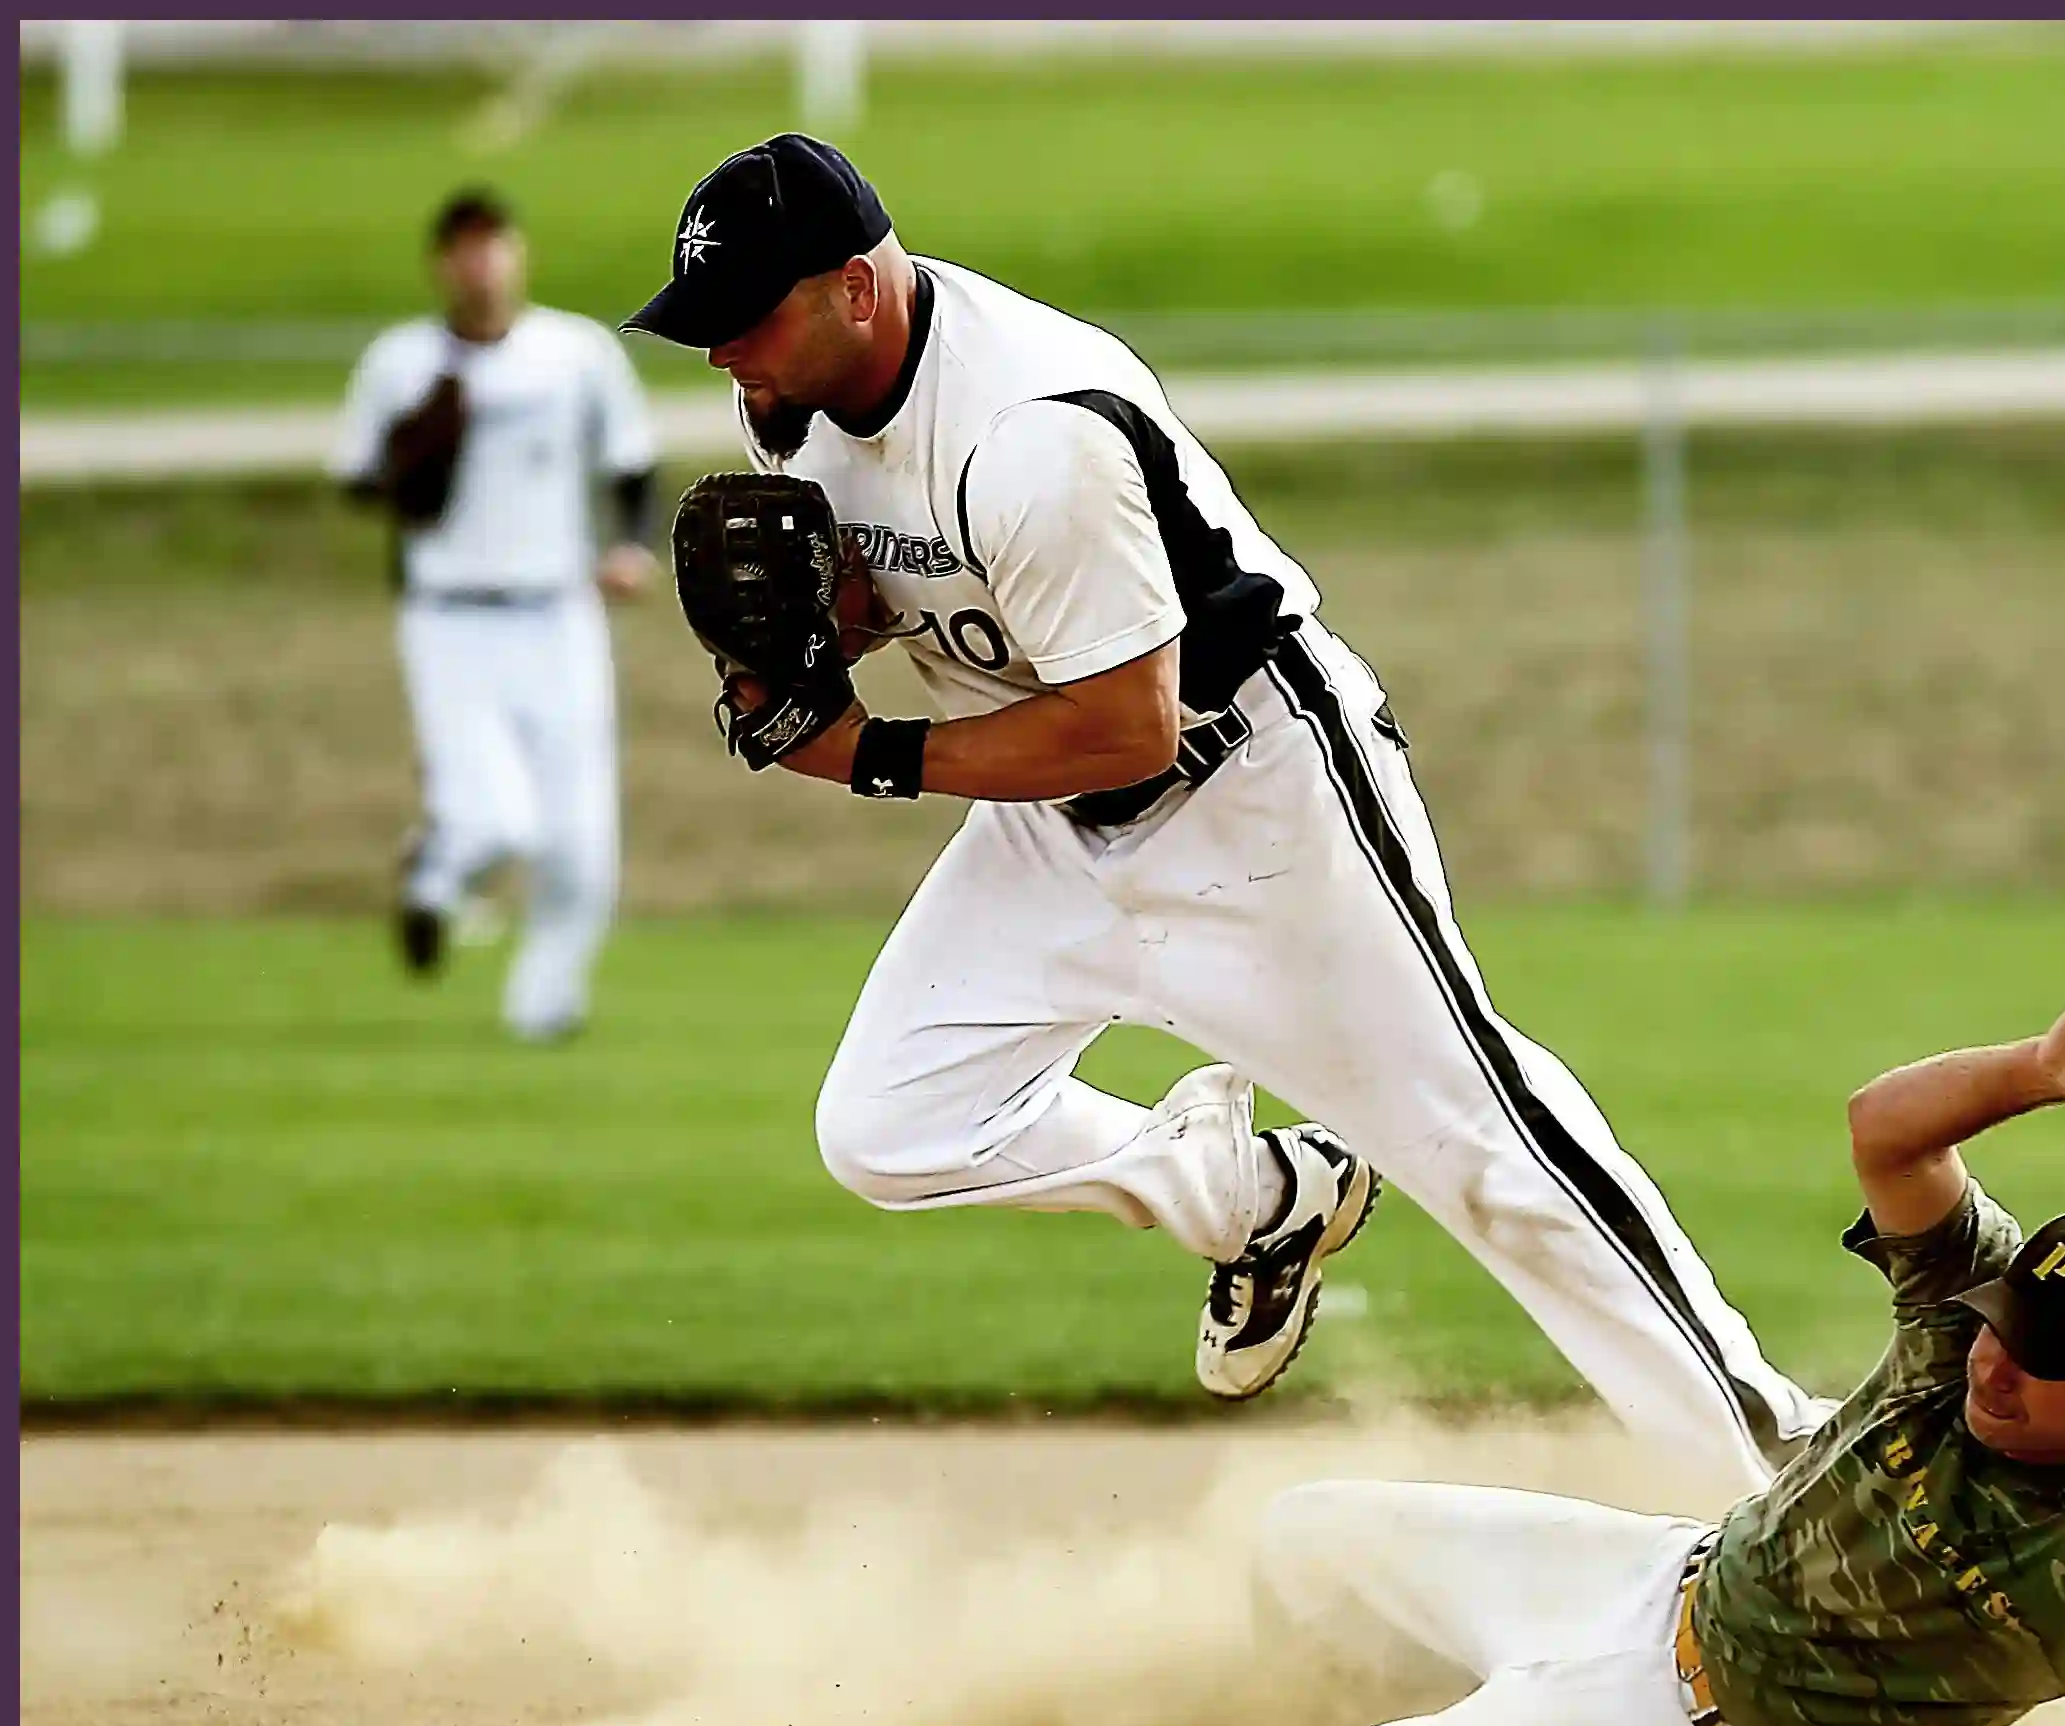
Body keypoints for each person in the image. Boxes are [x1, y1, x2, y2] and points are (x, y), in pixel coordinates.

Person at [621, 136, 1824, 1488]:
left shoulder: (1033, 433)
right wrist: (796, 654)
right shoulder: (791, 404)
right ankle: (1263, 1195)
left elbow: (1126, 722)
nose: (721, 351)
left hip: (1253, 796)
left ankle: (1780, 1460)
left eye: (747, 316)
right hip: (1050, 819)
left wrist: (867, 753)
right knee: (888, 1125)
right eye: (705, 323)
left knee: (1481, 1145)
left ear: (854, 287)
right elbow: (889, 593)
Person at [1259, 971, 2065, 1726]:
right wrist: (2035, 1069)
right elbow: (1884, 1130)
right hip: (1655, 1578)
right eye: (2004, 1328)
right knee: (1300, 1539)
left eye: (2045, 1361)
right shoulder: (1964, 1318)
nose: (1996, 1364)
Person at [331, 189, 660, 1044]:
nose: (480, 265)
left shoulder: (573, 354)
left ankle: (542, 1006)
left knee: (580, 838)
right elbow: (358, 478)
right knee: (497, 817)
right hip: (450, 616)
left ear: (518, 253)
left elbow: (631, 461)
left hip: (559, 610)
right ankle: (435, 877)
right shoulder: (402, 364)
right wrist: (416, 457)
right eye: (464, 249)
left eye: (493, 245)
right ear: (441, 263)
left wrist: (631, 545)